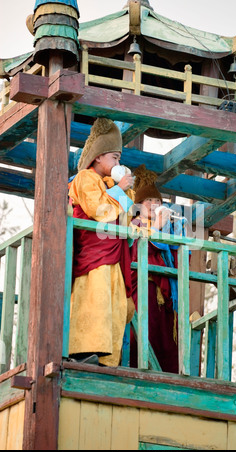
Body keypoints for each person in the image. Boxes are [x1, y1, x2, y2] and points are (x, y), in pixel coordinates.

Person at [68, 117, 135, 367]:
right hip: (94, 251)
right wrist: (119, 189)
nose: (118, 162)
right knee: (94, 298)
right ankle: (81, 349)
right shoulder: (85, 178)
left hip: (112, 252)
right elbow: (100, 211)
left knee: (114, 303)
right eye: (115, 157)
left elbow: (122, 217)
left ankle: (107, 356)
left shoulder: (109, 183)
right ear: (98, 157)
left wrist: (125, 191)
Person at [129, 165, 185, 373]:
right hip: (144, 290)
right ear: (139, 205)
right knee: (143, 335)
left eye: (157, 201)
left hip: (166, 295)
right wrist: (157, 228)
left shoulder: (166, 227)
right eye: (148, 201)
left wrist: (173, 232)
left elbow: (177, 259)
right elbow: (138, 252)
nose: (153, 205)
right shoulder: (133, 225)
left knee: (167, 341)